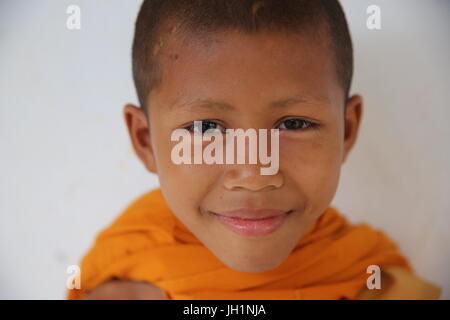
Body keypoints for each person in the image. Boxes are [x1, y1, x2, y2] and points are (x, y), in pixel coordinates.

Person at [67, 0, 441, 300]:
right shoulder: (115, 283)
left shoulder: (379, 286)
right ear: (146, 141)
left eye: (293, 124)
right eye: (205, 128)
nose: (254, 174)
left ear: (347, 130)